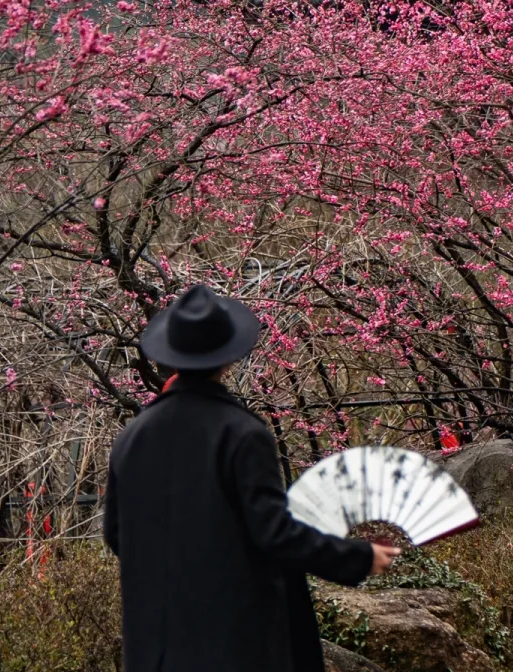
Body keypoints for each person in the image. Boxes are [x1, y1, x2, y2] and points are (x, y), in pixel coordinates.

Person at [103, 285, 398, 672]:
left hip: (153, 651)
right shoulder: (242, 433)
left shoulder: (131, 439)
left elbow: (115, 534)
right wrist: (358, 557)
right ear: (228, 358)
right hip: (235, 645)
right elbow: (274, 533)